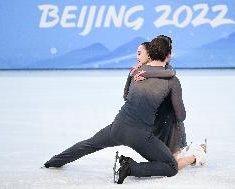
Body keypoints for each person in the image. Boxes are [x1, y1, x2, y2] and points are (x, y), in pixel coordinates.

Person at [44, 36, 206, 184]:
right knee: (170, 166)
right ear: (169, 54)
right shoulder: (172, 81)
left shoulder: (137, 71)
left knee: (90, 144)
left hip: (118, 126)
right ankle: (130, 167)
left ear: (150, 53)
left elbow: (126, 96)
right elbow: (181, 115)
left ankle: (54, 161)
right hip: (141, 136)